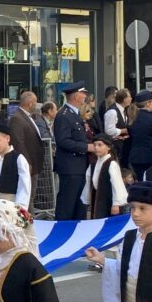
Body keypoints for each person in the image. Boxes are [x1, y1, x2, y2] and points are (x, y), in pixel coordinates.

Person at [53, 81, 95, 220]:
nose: (85, 96)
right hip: (70, 166)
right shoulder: (64, 115)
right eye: (83, 93)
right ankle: (62, 232)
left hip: (78, 165)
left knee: (79, 203)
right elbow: (63, 140)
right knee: (68, 203)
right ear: (76, 95)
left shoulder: (74, 114)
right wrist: (86, 147)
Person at [0, 122, 31, 208]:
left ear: (7, 138)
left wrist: (20, 207)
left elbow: (24, 185)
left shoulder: (19, 159)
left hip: (11, 204)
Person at [81, 134, 128, 219]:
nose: (96, 148)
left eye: (100, 145)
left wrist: (116, 204)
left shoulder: (111, 164)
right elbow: (88, 182)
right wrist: (88, 199)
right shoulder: (93, 164)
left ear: (109, 147)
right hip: (97, 198)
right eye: (95, 145)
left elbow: (117, 185)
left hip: (109, 199)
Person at [9, 91, 44, 200]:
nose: (37, 104)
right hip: (27, 164)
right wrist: (26, 162)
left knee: (31, 196)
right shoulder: (17, 118)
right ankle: (27, 217)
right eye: (35, 102)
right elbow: (18, 142)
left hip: (33, 163)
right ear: (30, 103)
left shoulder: (29, 117)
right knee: (27, 197)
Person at [128, 90, 152, 181]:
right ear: (148, 103)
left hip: (135, 156)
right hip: (150, 156)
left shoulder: (132, 116)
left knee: (140, 181)